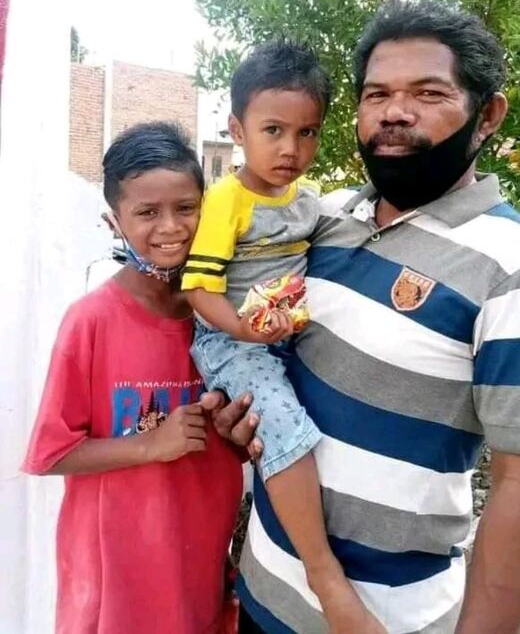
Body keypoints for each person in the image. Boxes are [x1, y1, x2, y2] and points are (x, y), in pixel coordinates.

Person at [211, 0, 520, 634]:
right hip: (266, 588)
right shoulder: (320, 223)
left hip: (388, 617)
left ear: (488, 115)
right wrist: (239, 413)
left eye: (428, 93)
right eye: (376, 94)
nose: (394, 111)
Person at [182, 40, 383, 633]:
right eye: (273, 130)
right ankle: (323, 573)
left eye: (307, 132)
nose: (291, 149)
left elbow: (348, 225)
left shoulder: (306, 201)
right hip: (232, 340)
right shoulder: (228, 200)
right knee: (286, 429)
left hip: (283, 335)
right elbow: (198, 290)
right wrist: (243, 329)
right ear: (237, 130)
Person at [22, 122, 243, 634]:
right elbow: (51, 453)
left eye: (185, 208)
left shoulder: (226, 319)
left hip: (201, 574)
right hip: (116, 590)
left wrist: (235, 434)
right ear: (114, 221)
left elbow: (241, 438)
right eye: (147, 212)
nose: (171, 227)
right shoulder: (91, 321)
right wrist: (151, 445)